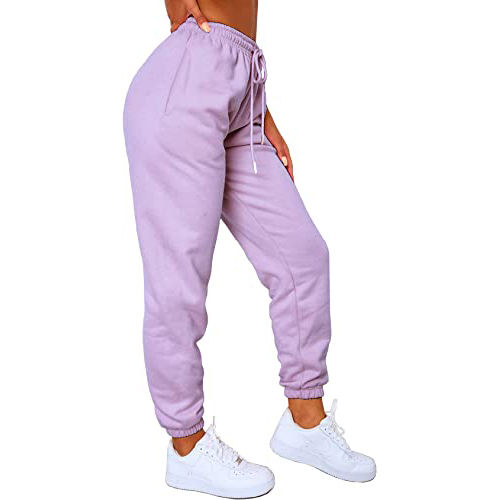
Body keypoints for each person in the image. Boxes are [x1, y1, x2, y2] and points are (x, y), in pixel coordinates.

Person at [123, 1, 376, 497]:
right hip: (186, 84)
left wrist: (260, 108)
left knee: (303, 257)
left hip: (241, 89)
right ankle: (186, 446)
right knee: (179, 282)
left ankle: (304, 421)